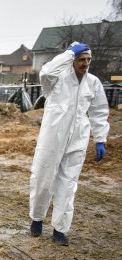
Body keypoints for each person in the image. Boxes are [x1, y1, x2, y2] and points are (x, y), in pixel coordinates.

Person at [29, 42, 110, 246]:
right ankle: (37, 218)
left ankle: (60, 229)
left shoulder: (93, 83)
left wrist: (100, 138)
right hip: (53, 136)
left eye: (88, 60)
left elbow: (99, 111)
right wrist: (68, 53)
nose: (85, 63)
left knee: (68, 183)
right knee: (43, 177)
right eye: (81, 59)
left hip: (78, 138)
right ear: (72, 60)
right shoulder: (56, 79)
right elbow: (45, 72)